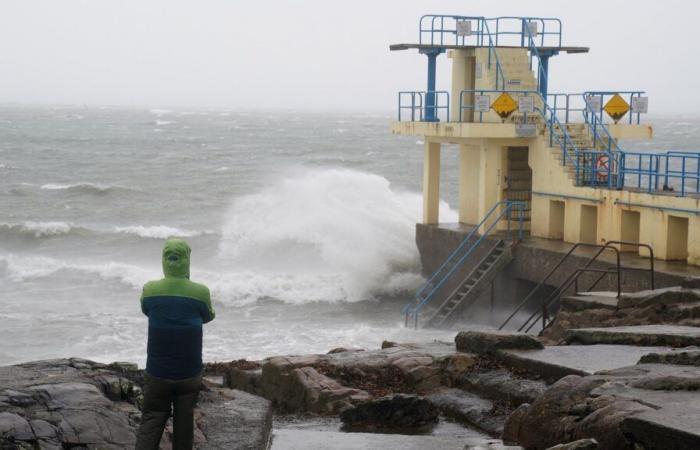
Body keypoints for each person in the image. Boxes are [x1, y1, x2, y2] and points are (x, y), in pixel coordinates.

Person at [135, 238, 215, 450]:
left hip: (157, 373)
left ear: (164, 260)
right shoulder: (201, 292)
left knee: (151, 420)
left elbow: (146, 310)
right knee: (184, 425)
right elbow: (208, 316)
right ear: (187, 260)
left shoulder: (150, 290)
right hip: (189, 373)